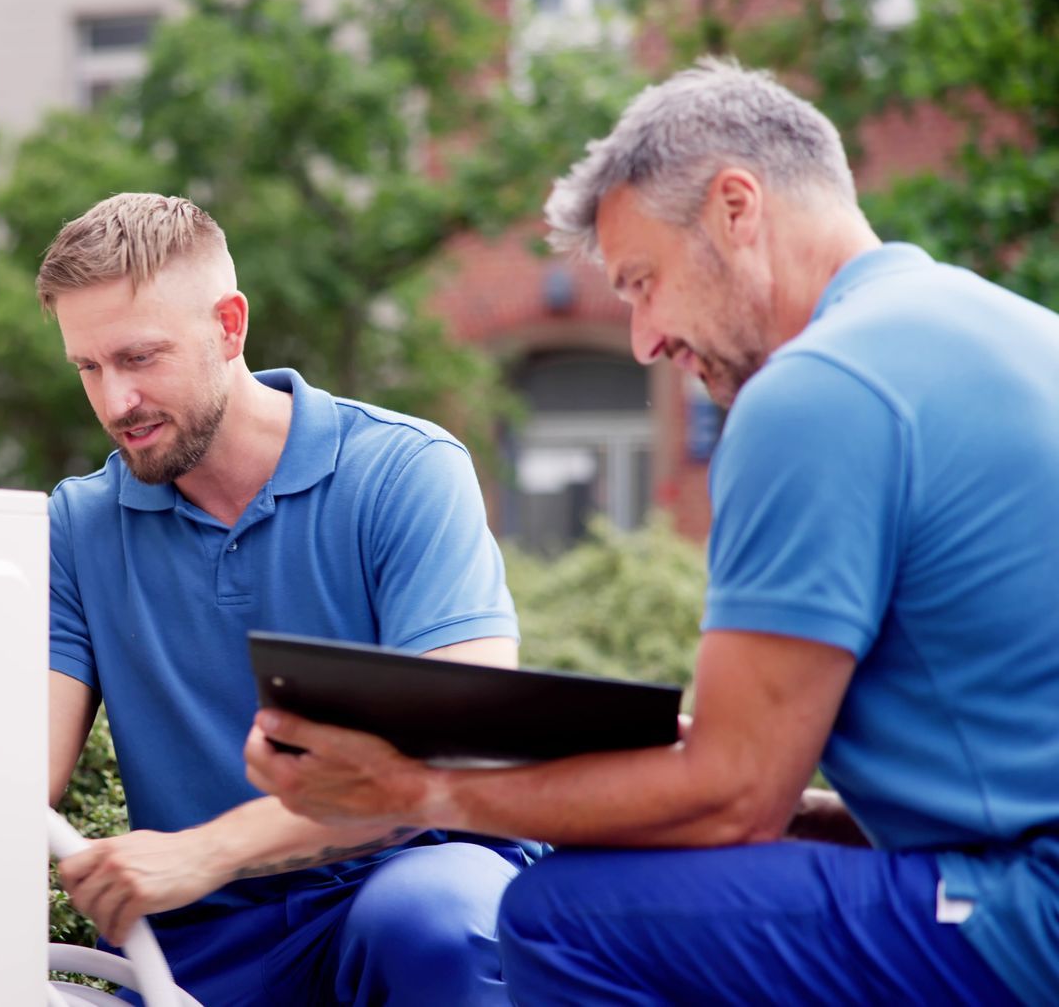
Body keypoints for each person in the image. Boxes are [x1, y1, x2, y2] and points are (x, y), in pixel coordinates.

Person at [245, 59, 1059, 1005]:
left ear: (735, 209)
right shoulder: (1011, 331)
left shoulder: (815, 392)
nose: (643, 339)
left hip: (1024, 914)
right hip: (1011, 885)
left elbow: (729, 799)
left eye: (643, 281)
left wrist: (416, 793)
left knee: (565, 913)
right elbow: (795, 791)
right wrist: (706, 778)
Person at [41, 192, 538, 1006]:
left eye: (139, 358)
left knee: (428, 917)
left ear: (230, 325)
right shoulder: (80, 523)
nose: (113, 401)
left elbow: (461, 740)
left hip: (406, 885)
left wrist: (212, 848)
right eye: (89, 368)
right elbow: (20, 772)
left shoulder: (405, 471)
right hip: (202, 937)